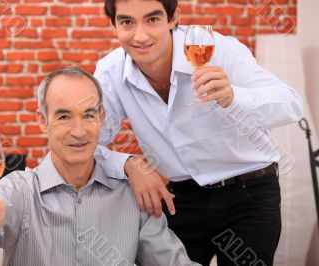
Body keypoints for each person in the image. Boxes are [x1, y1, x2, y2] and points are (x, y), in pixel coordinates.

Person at [93, 0, 303, 265]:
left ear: (173, 18)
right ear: (113, 25)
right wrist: (128, 164)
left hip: (247, 192)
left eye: (152, 20)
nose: (140, 35)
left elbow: (291, 104)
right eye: (126, 22)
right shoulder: (110, 72)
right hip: (180, 201)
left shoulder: (220, 49)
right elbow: (87, 141)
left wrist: (234, 96)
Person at [0, 66, 199, 266]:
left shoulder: (132, 196)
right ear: (42, 121)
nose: (78, 131)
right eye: (63, 116)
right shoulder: (18, 191)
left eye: (89, 114)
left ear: (101, 118)